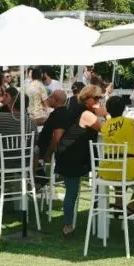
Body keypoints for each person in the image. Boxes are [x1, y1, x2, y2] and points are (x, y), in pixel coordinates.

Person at [51, 85, 106, 237]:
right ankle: (67, 225)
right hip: (71, 155)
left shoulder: (77, 109)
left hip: (78, 155)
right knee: (72, 192)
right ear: (87, 99)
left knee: (87, 186)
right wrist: (106, 114)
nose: (98, 101)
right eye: (95, 98)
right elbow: (105, 129)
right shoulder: (86, 114)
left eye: (99, 98)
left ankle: (95, 216)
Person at [99, 97, 134, 211]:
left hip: (107, 169)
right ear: (124, 109)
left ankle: (118, 204)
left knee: (119, 174)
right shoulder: (130, 123)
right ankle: (130, 205)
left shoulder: (104, 125)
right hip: (128, 167)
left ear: (108, 109)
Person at [0, 86, 35, 166]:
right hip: (23, 161)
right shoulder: (31, 121)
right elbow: (33, 143)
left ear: (11, 103)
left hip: (1, 161)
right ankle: (37, 178)